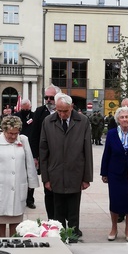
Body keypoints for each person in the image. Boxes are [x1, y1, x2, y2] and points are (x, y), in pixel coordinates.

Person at [39, 92, 93, 237]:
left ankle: (74, 234)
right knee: (58, 210)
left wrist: (86, 177)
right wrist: (46, 178)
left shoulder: (83, 121)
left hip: (75, 172)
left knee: (73, 209)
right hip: (55, 172)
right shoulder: (48, 121)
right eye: (59, 110)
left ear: (72, 107)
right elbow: (43, 151)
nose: (62, 114)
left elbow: (87, 150)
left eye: (65, 111)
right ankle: (60, 235)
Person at [0, 115, 39, 237]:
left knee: (16, 215)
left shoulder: (23, 140)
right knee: (0, 215)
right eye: (10, 133)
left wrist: (31, 183)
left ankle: (13, 238)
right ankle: (2, 238)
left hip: (18, 184)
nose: (12, 136)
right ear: (4, 131)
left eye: (15, 134)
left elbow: (29, 163)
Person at [100, 106, 128, 242]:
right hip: (115, 173)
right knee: (115, 201)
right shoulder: (112, 133)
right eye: (122, 117)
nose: (124, 119)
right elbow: (106, 153)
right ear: (118, 119)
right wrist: (104, 172)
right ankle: (114, 228)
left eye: (127, 117)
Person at [30, 84, 61, 217]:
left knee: (63, 192)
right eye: (46, 97)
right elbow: (34, 134)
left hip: (63, 158)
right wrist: (35, 156)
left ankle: (63, 220)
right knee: (48, 190)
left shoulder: (66, 110)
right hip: (46, 159)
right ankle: (52, 219)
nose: (48, 100)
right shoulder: (39, 111)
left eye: (51, 97)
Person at [14, 99, 36, 209]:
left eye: (28, 108)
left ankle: (30, 199)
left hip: (31, 148)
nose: (26, 110)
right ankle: (19, 198)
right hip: (17, 148)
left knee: (31, 175)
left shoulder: (34, 116)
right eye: (24, 109)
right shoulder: (16, 116)